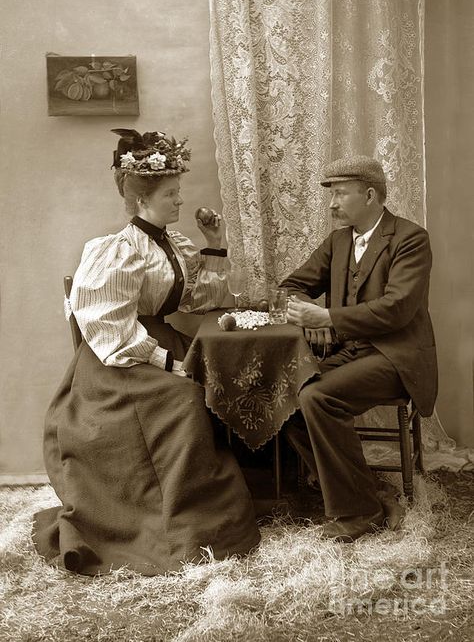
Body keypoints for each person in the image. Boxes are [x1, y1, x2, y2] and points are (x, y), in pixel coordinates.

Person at [33, 128, 260, 575]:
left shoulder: (174, 244)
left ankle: (243, 494)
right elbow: (106, 325)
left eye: (178, 192)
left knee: (223, 379)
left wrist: (215, 241)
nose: (180, 201)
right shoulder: (114, 250)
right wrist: (168, 363)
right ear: (141, 200)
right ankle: (169, 522)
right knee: (183, 398)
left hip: (158, 342)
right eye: (171, 194)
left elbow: (201, 300)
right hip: (117, 362)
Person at [280, 155, 438, 542]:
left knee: (317, 398)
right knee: (285, 399)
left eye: (339, 193)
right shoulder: (337, 241)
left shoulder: (410, 238)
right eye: (331, 194)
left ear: (370, 195)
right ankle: (370, 494)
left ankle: (357, 516)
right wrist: (310, 309)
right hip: (353, 354)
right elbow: (291, 285)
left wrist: (329, 319)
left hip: (397, 357)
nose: (332, 203)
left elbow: (397, 309)